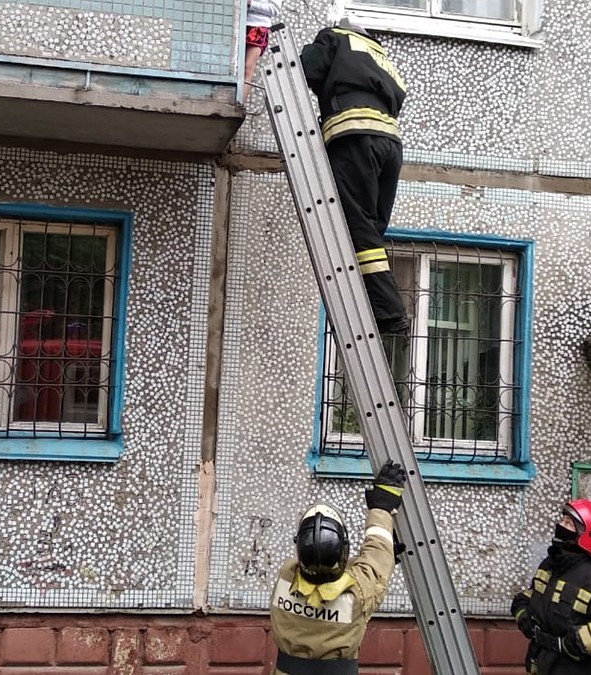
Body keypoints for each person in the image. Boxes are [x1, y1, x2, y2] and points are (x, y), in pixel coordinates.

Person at [299, 18, 411, 392]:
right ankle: (376, 302)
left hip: (354, 137)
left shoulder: (335, 37)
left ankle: (388, 312)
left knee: (356, 226)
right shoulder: (378, 53)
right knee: (371, 230)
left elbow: (309, 69)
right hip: (390, 146)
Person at [269, 460, 407, 675]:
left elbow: (323, 579)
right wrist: (382, 507)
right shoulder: (359, 593)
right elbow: (376, 554)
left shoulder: (286, 577)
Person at [510, 499, 591, 675]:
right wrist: (524, 615)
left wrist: (573, 643)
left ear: (588, 535)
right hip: (544, 663)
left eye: (568, 523)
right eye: (562, 520)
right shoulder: (552, 565)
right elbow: (530, 596)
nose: (560, 525)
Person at [243, 0, 283, 101]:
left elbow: (274, 9)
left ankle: (238, 104)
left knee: (247, 68)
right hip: (236, 21)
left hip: (258, 27)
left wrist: (250, 4)